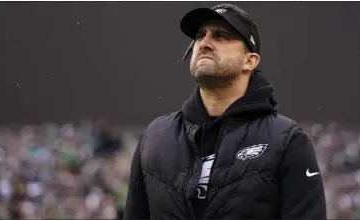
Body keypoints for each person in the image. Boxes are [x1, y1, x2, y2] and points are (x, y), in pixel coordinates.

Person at [124, 3, 326, 220]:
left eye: (221, 36)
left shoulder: (287, 141)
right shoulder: (155, 137)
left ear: (249, 61)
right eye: (200, 35)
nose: (204, 43)